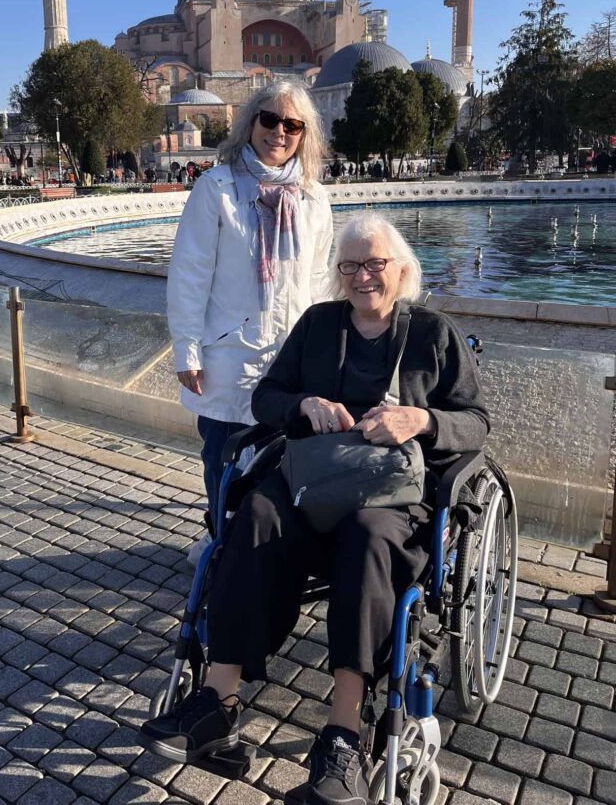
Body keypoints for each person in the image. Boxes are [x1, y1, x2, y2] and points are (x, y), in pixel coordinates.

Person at [143, 214, 489, 805]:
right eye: (349, 265)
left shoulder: (434, 334)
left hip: (387, 499)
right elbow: (266, 397)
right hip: (310, 485)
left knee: (368, 535)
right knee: (254, 515)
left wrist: (421, 419)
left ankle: (345, 733)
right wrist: (304, 404)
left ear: (400, 269)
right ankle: (217, 702)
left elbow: (476, 422)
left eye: (374, 263)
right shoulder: (318, 325)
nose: (361, 275)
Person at [167, 80, 333, 564]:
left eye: (292, 124)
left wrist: (321, 353)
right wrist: (187, 349)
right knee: (222, 456)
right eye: (270, 119)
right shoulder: (216, 189)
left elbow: (320, 282)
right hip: (229, 356)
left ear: (304, 135)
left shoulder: (314, 199)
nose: (279, 132)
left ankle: (264, 549)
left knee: (283, 458)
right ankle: (221, 540)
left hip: (290, 360)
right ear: (250, 123)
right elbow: (190, 273)